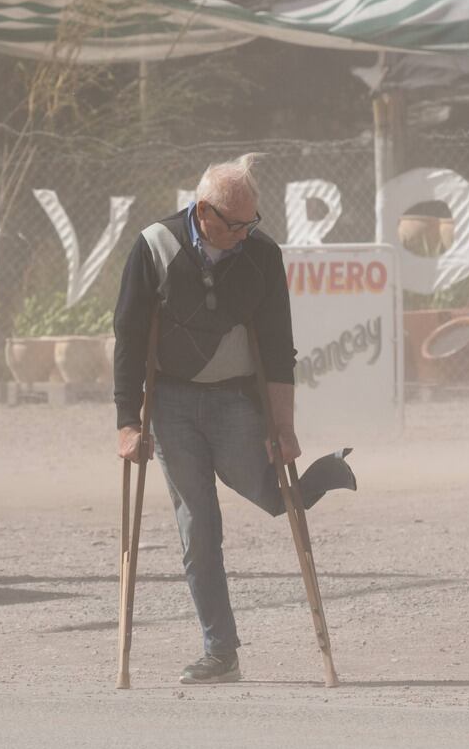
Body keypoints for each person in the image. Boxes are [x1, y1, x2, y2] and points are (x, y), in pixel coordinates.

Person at [112, 153, 357, 685]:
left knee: (270, 493)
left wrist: (283, 427)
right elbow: (130, 338)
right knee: (199, 526)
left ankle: (324, 473)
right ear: (205, 213)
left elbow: (277, 345)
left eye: (252, 224)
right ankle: (220, 651)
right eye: (237, 226)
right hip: (172, 405)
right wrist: (128, 423)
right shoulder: (155, 246)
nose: (246, 235)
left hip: (233, 401)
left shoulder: (261, 257)